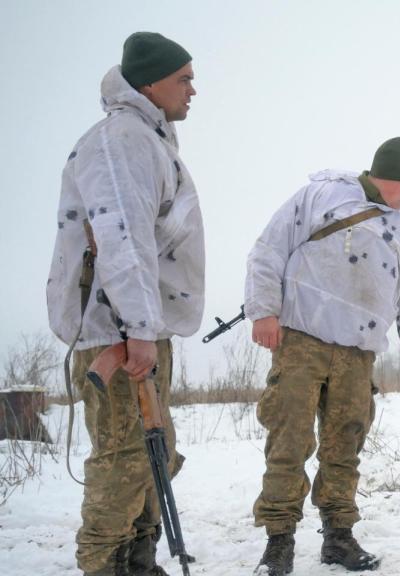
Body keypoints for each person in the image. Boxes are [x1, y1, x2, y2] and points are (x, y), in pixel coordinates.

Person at [245, 137, 400, 574]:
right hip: (302, 341)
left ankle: (339, 536)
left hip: (358, 354)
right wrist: (263, 311)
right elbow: (269, 249)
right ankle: (278, 542)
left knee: (344, 445)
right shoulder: (322, 195)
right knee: (288, 441)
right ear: (385, 175)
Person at [46, 32, 203, 575]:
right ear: (149, 83)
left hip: (142, 322)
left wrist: (148, 325)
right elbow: (119, 235)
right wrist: (136, 327)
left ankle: (139, 560)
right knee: (124, 458)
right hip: (116, 328)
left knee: (156, 451)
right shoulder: (121, 141)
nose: (192, 90)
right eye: (183, 78)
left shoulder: (149, 139)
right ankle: (104, 565)